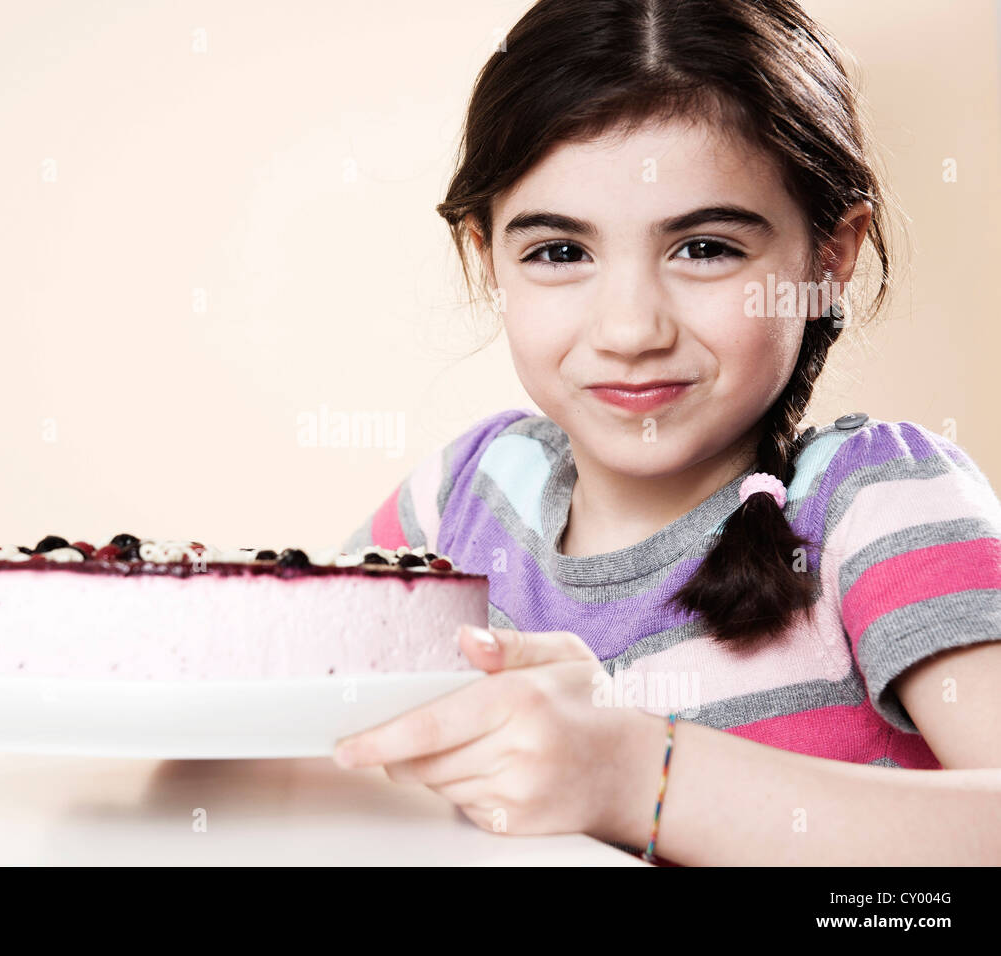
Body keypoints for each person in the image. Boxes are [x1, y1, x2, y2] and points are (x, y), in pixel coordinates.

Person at [333, 0, 1001, 865]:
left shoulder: (873, 505)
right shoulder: (465, 496)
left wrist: (634, 774)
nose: (631, 329)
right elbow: (301, 704)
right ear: (484, 256)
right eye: (560, 253)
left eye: (707, 248)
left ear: (827, 261)